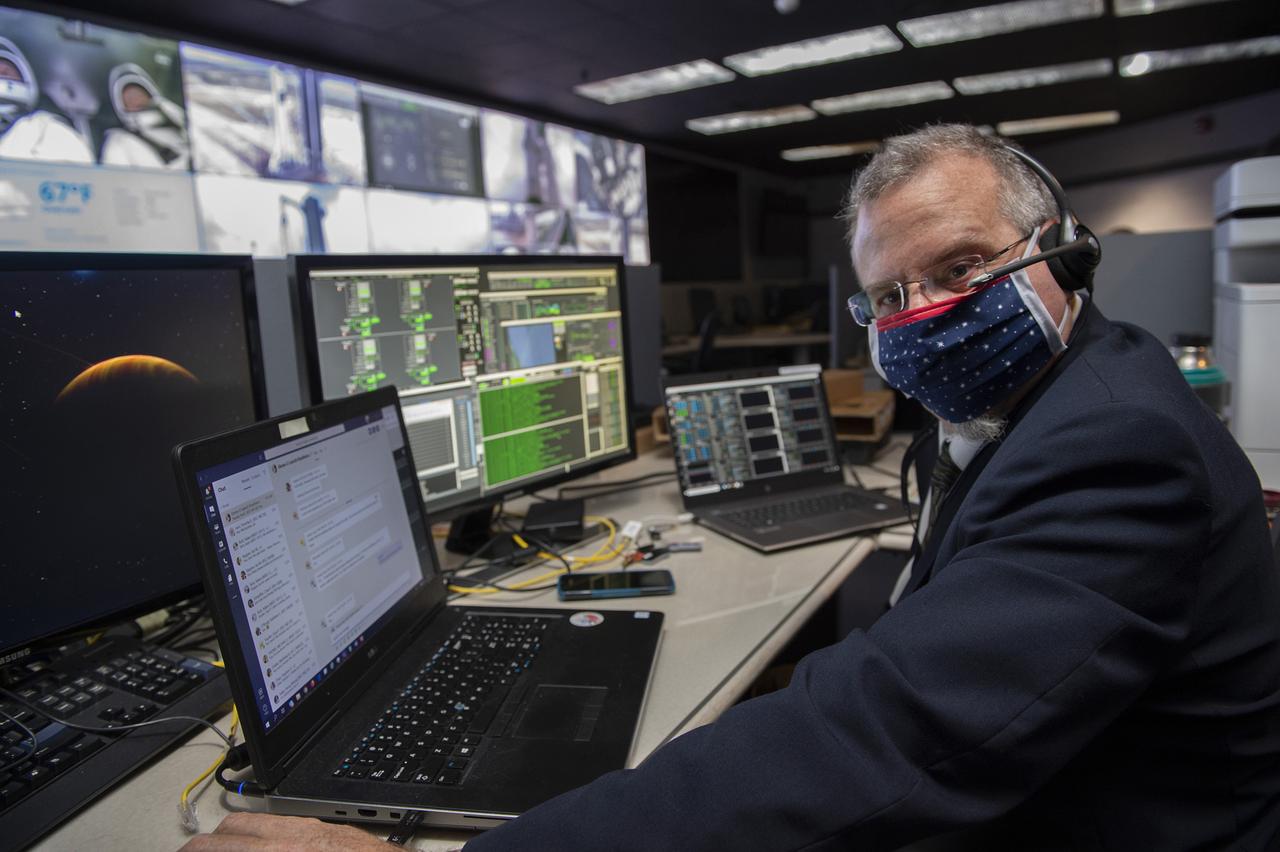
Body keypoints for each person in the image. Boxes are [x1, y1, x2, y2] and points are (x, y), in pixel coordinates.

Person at [180, 125, 1280, 852]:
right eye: (891, 295)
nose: (928, 313)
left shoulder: (1118, 446)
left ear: (1065, 248)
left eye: (958, 268)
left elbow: (884, 739)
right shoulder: (1048, 395)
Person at [0, 35, 94, 164]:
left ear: (25, 79)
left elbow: (79, 169)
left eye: (5, 72)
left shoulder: (45, 127)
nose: (1, 74)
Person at [98, 62, 191, 169]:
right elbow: (114, 175)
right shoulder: (119, 140)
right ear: (122, 106)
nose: (135, 100)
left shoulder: (178, 122)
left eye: (138, 94)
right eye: (129, 98)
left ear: (150, 95)